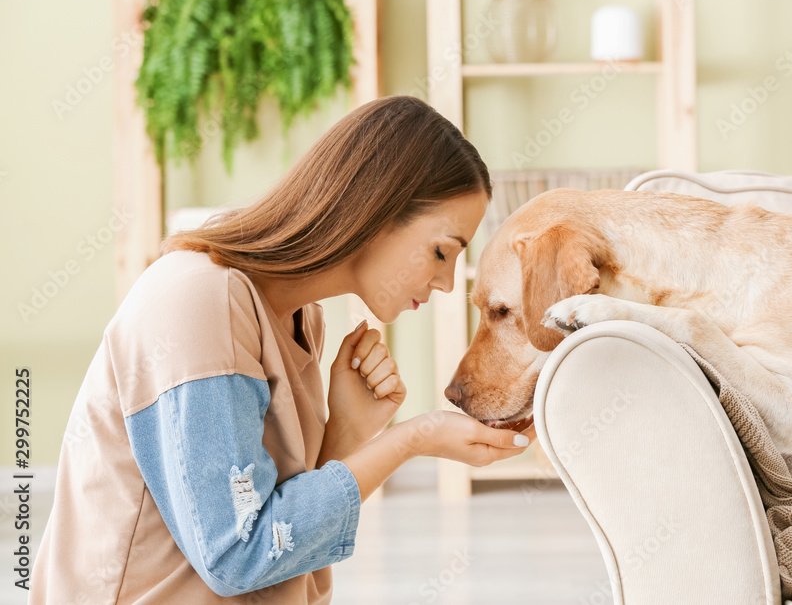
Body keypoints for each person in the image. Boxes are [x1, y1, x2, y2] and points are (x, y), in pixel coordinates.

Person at [28, 95, 536, 604]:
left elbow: (284, 546)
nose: (447, 282)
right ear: (376, 208)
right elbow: (240, 555)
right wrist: (412, 439)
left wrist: (346, 432)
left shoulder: (299, 318)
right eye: (441, 251)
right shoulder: (201, 300)